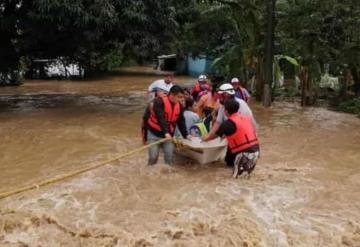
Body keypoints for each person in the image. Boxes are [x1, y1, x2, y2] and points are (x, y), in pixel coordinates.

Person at [203, 83, 257, 168]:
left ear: (226, 95)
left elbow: (218, 132)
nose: (219, 98)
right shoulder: (223, 106)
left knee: (233, 166)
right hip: (250, 145)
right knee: (229, 163)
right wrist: (209, 135)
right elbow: (217, 123)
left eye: (221, 95)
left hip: (245, 141)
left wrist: (205, 140)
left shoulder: (240, 105)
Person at [203, 99, 260, 178]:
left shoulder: (228, 124)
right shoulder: (245, 118)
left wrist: (204, 140)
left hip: (245, 155)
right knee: (243, 177)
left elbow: (213, 135)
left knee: (236, 181)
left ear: (226, 111)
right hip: (256, 151)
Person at [146, 85, 192, 165]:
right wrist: (166, 133)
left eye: (182, 97)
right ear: (172, 95)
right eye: (179, 97)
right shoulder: (159, 101)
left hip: (169, 136)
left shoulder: (179, 106)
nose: (181, 99)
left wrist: (186, 135)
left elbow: (181, 121)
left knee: (169, 158)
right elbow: (161, 118)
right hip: (154, 134)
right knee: (153, 157)